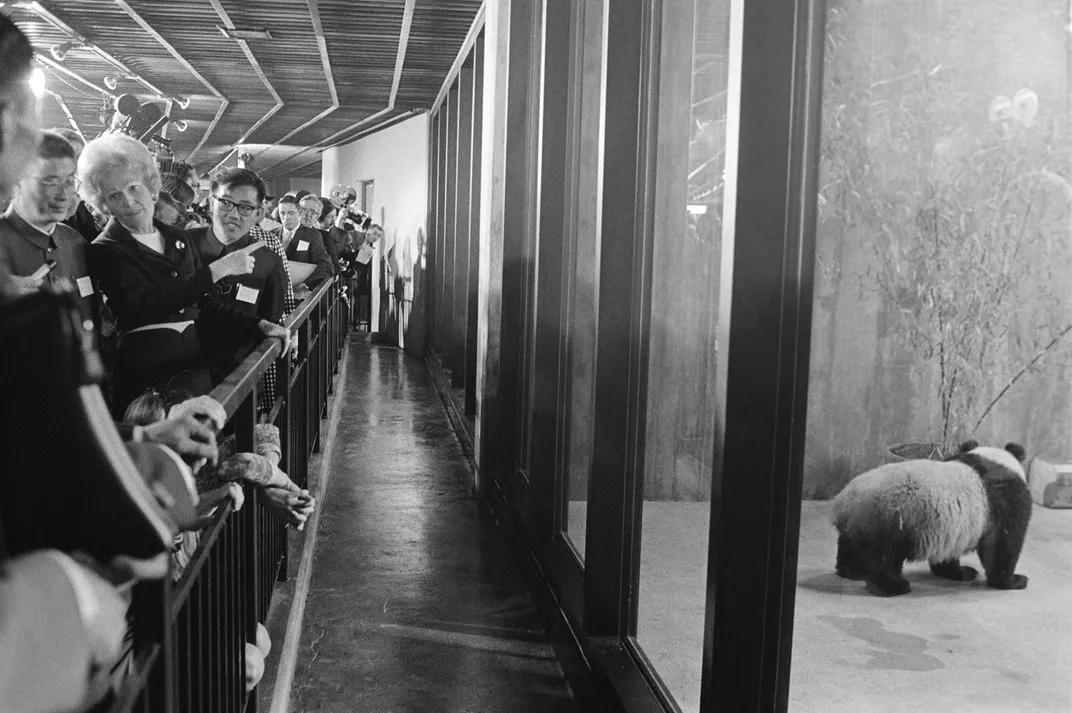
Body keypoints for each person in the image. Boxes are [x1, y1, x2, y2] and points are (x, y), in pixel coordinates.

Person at [79, 132, 292, 414]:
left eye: (133, 188)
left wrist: (259, 325)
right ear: (103, 204)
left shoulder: (177, 238)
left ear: (151, 185)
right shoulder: (105, 249)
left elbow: (205, 306)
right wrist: (215, 271)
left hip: (194, 368)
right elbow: (144, 305)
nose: (129, 202)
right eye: (114, 195)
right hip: (147, 370)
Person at [188, 167, 287, 378]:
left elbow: (270, 319)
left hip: (239, 378)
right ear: (211, 202)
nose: (233, 214)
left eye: (245, 207)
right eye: (225, 202)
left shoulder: (269, 261)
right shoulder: (185, 245)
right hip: (185, 373)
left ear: (259, 213)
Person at [0, 130, 97, 322]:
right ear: (17, 180)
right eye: (50, 181)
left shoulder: (74, 242)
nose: (64, 194)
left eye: (69, 181)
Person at [273, 195, 334, 290]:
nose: (286, 217)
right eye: (282, 213)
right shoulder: (271, 234)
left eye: (291, 213)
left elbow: (326, 266)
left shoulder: (313, 235)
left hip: (299, 293)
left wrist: (306, 285)